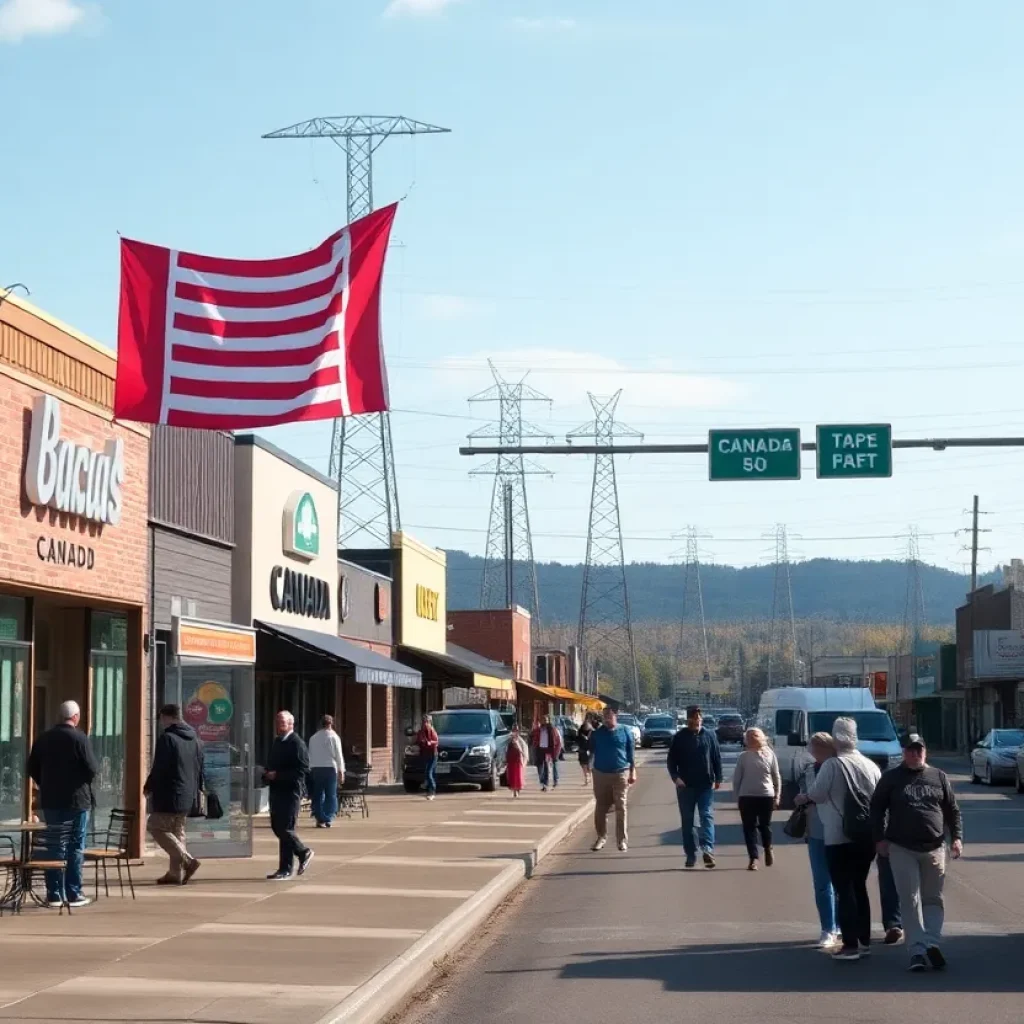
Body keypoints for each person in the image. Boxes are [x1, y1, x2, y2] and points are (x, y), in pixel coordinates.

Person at [870, 733, 963, 972]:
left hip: (934, 847)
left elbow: (952, 809)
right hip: (902, 848)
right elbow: (877, 809)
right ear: (904, 752)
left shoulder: (938, 776)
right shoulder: (891, 778)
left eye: (919, 749)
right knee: (910, 900)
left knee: (933, 899)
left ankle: (931, 942)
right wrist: (879, 839)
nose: (915, 753)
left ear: (925, 751)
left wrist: (957, 838)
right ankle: (917, 951)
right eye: (910, 750)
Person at [808, 716, 881, 961]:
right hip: (867, 835)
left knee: (843, 888)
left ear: (836, 737)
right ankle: (865, 940)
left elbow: (817, 794)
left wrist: (802, 798)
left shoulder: (832, 765)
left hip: (838, 835)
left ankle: (849, 945)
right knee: (860, 886)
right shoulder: (871, 765)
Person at [26, 700, 98, 908]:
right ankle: (73, 893)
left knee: (54, 844)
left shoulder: (44, 739)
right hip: (77, 801)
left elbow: (32, 767)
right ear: (75, 717)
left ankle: (54, 893)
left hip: (51, 800)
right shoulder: (80, 738)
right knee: (75, 845)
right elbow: (92, 768)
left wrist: (45, 783)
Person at [144, 703, 204, 886]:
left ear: (167, 717)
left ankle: (187, 860)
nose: (161, 722)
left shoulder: (167, 738)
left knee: (156, 826)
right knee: (178, 833)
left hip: (170, 793)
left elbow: (160, 767)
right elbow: (200, 767)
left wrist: (149, 786)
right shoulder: (194, 738)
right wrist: (198, 790)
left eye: (161, 717)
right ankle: (174, 873)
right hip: (188, 794)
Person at [795, 732, 840, 949]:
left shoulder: (840, 767)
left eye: (814, 748)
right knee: (822, 884)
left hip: (840, 831)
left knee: (841, 882)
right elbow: (805, 793)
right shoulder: (809, 770)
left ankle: (842, 925)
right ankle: (828, 928)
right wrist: (802, 799)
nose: (811, 752)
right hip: (816, 831)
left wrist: (810, 797)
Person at [666, 705, 723, 869]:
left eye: (699, 718)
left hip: (705, 784)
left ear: (701, 719)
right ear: (688, 720)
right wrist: (676, 778)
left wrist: (718, 777)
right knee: (688, 821)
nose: (696, 721)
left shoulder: (710, 735)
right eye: (693, 719)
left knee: (706, 815)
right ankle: (690, 854)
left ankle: (708, 850)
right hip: (685, 786)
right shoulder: (679, 737)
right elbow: (671, 761)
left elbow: (716, 757)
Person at [263, 710, 313, 881]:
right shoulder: (277, 742)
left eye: (282, 722)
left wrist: (278, 775)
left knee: (286, 828)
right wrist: (266, 774)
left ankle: (295, 859)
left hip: (291, 792)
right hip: (276, 791)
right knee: (277, 827)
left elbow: (302, 771)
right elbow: (271, 763)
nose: (279, 725)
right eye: (277, 721)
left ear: (291, 724)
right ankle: (292, 860)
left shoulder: (297, 743)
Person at [732, 727, 781, 871]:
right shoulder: (743, 757)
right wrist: (737, 797)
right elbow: (737, 779)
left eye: (755, 736)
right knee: (749, 828)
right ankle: (753, 858)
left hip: (766, 795)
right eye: (749, 736)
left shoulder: (770, 755)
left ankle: (767, 848)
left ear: (761, 738)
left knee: (764, 826)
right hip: (747, 796)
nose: (752, 739)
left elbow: (776, 775)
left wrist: (777, 796)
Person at [589, 707, 636, 851]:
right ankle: (601, 837)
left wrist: (633, 771)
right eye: (604, 716)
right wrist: (588, 768)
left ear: (615, 716)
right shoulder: (597, 734)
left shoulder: (625, 731)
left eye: (609, 715)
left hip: (620, 773)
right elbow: (590, 751)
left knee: (621, 806)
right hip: (601, 774)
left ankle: (621, 840)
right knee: (601, 806)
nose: (607, 719)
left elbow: (631, 753)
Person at [308, 715, 345, 827]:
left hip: (316, 768)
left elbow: (310, 754)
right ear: (331, 724)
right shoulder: (334, 737)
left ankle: (319, 817)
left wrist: (310, 769)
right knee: (330, 794)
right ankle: (328, 817)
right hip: (329, 768)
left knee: (317, 794)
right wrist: (341, 771)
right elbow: (338, 755)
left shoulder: (313, 738)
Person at [531, 715, 563, 792]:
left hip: (549, 750)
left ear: (548, 720)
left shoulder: (552, 730)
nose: (544, 721)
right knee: (539, 767)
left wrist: (556, 752)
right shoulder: (538, 730)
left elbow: (558, 741)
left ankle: (546, 784)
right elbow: (532, 737)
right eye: (543, 720)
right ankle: (543, 781)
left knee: (546, 767)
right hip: (540, 750)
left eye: (546, 720)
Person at [417, 714, 439, 801]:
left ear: (430, 723)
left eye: (427, 722)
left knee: (429, 773)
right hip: (426, 754)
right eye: (424, 722)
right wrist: (421, 742)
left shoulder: (432, 731)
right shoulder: (421, 731)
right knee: (427, 773)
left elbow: (436, 741)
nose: (425, 724)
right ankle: (429, 790)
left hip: (433, 754)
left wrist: (430, 742)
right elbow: (419, 740)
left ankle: (433, 790)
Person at [505, 724, 529, 798]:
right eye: (514, 730)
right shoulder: (509, 740)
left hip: (518, 760)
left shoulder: (521, 740)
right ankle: (514, 790)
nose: (515, 732)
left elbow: (524, 750)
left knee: (518, 776)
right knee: (512, 776)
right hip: (511, 760)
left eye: (516, 730)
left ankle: (517, 789)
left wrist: (524, 759)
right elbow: (506, 750)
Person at [577, 716, 595, 786]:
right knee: (585, 765)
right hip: (584, 751)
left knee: (588, 766)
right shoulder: (581, 730)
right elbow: (578, 740)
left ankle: (589, 778)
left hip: (589, 751)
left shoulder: (592, 731)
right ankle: (587, 778)